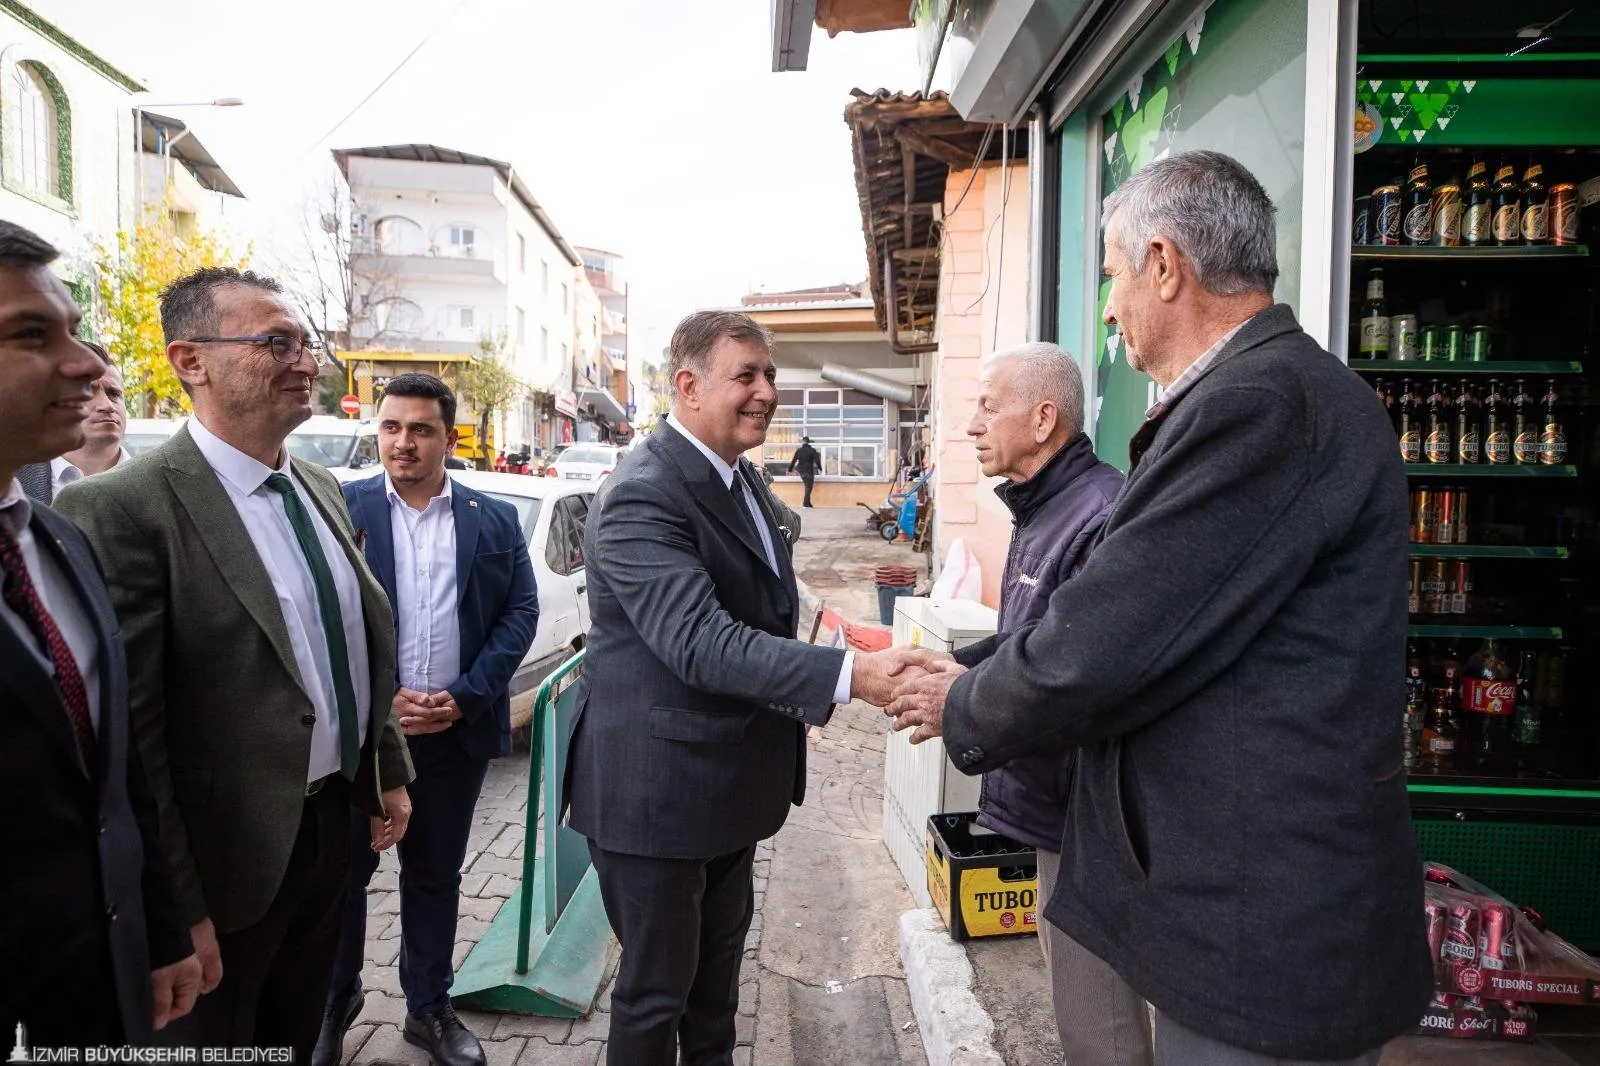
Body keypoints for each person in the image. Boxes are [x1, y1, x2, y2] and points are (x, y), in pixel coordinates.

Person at [886, 152, 1433, 1064]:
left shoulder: (1260, 403)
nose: (1107, 307)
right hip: (1249, 903)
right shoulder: (1270, 393)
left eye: (1111, 276)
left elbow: (1114, 631)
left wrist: (958, 702)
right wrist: (975, 674)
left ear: (1165, 266)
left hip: (1262, 919)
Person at [55, 267, 416, 1057]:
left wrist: (384, 762)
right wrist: (173, 909)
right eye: (274, 343)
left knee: (292, 1036)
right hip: (221, 869)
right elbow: (133, 737)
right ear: (191, 360)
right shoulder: (121, 507)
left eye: (305, 344)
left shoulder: (316, 484)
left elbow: (348, 642)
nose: (304, 362)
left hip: (328, 834)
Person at [565, 310, 934, 1066]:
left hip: (725, 791)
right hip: (657, 800)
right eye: (748, 375)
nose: (767, 391)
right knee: (654, 998)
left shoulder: (737, 478)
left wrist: (852, 644)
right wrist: (850, 677)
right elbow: (699, 641)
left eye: (771, 375)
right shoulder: (645, 490)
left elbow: (766, 605)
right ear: (688, 386)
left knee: (714, 996)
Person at [0, 220, 201, 1045]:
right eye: (29, 335)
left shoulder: (56, 542)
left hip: (92, 992)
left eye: (74, 333)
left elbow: (113, 774)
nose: (87, 366)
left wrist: (158, 928)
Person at [316, 374, 539, 1066]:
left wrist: (466, 695)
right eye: (391, 427)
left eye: (419, 429)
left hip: (453, 734)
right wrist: (383, 703)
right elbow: (321, 620)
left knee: (435, 874)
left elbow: (520, 613)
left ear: (448, 436)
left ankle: (429, 1009)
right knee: (342, 875)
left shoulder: (491, 518)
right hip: (359, 740)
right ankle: (333, 1002)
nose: (402, 442)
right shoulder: (338, 509)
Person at [957, 341, 1130, 1061]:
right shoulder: (1047, 508)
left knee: (1097, 1020)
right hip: (1053, 803)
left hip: (1081, 813)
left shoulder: (1096, 514)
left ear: (1043, 418)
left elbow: (1079, 676)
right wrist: (952, 666)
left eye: (988, 406)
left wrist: (953, 696)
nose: (972, 423)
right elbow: (1035, 641)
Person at [17, 351, 129, 503]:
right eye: (87, 392)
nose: (107, 405)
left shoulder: (157, 481)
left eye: (114, 394)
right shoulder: (12, 482)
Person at [787, 434, 820, 507]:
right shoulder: (812, 450)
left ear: (803, 442)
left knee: (808, 487)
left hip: (801, 472)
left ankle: (808, 503)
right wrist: (820, 468)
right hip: (809, 472)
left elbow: (793, 460)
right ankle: (805, 503)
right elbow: (817, 460)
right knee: (808, 487)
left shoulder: (799, 451)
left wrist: (790, 470)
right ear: (808, 442)